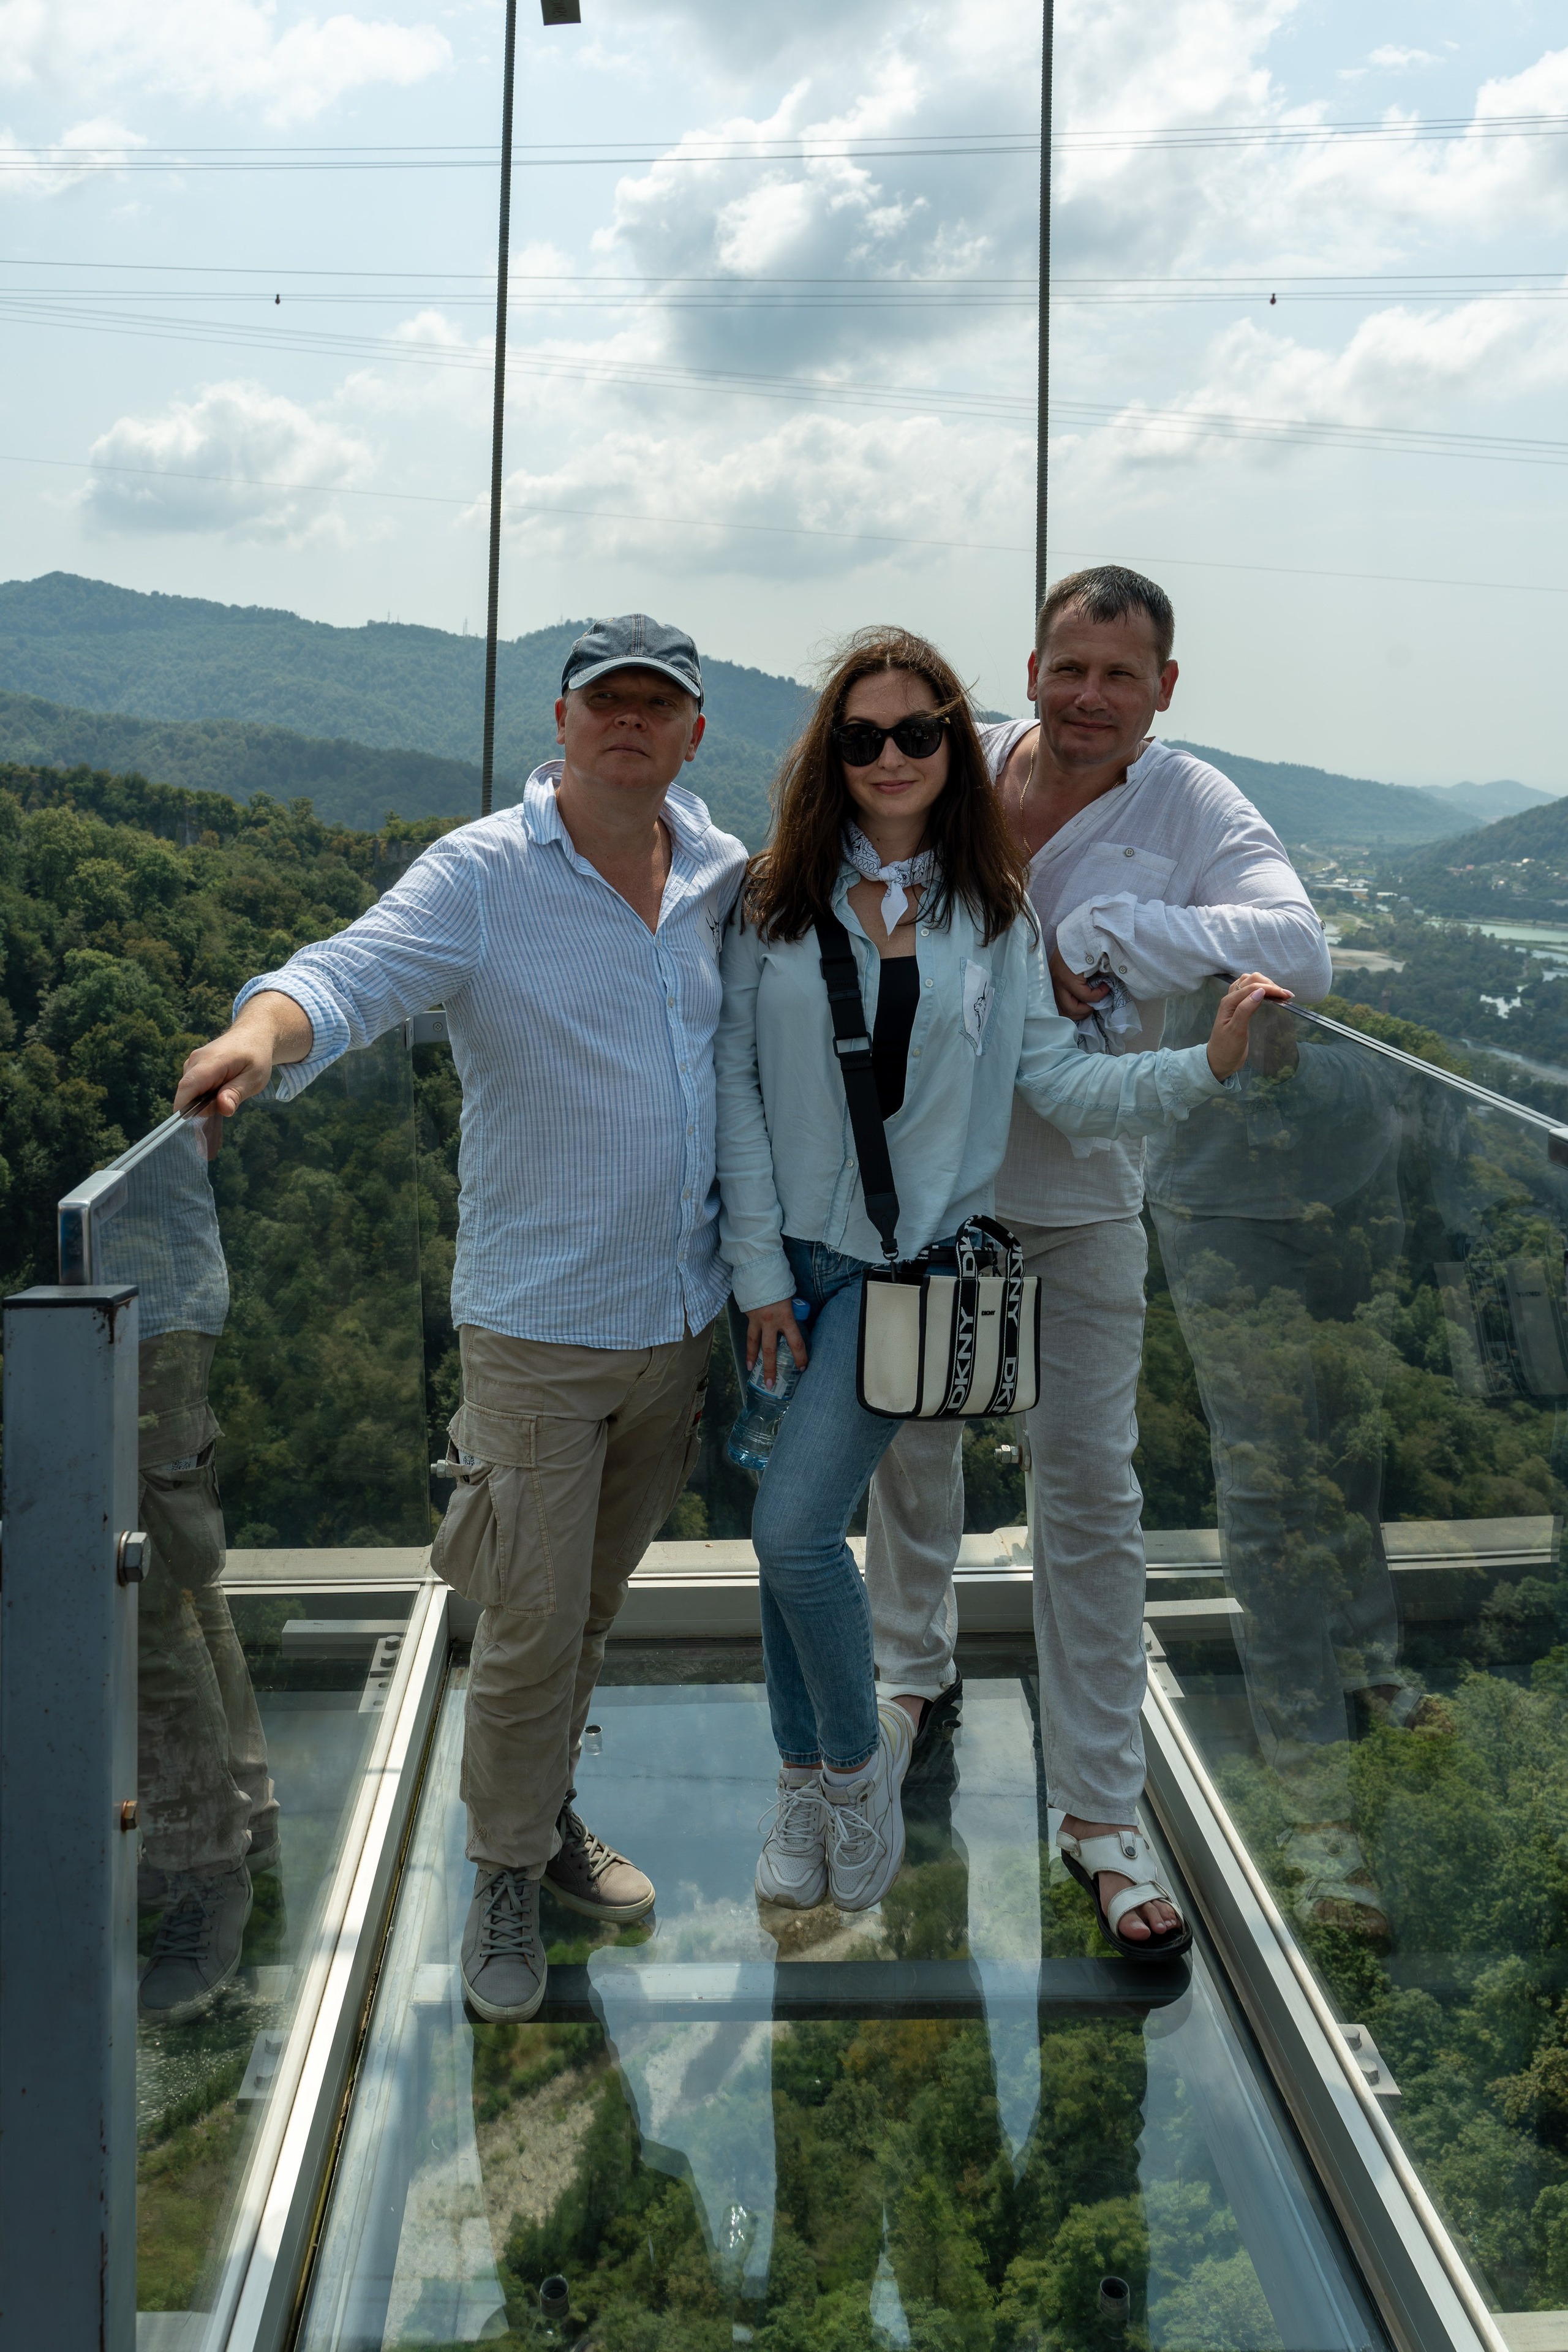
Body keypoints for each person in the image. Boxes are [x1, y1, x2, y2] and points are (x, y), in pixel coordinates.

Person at [173, 615, 748, 2024]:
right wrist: (259, 1032)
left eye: (653, 704)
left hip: (681, 1327)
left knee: (591, 1612)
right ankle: (499, 1870)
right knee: (531, 1624)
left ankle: (536, 1817)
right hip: (539, 1335)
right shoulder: (487, 874)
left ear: (691, 734)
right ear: (558, 726)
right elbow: (351, 971)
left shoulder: (725, 874)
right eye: (601, 701)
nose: (627, 723)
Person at [715, 624, 1289, 1934]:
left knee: (795, 1529)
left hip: (899, 1269)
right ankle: (808, 1788)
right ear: (829, 755)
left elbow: (1063, 1082)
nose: (892, 754)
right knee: (790, 1537)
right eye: (861, 736)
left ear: (951, 747)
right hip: (779, 1270)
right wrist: (753, 1275)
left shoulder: (991, 913)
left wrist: (1198, 1067)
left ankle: (851, 1777)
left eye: (918, 732)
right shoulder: (772, 900)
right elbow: (734, 1098)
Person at [861, 567, 1333, 1949]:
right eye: (1069, 668)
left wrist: (1109, 926)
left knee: (1085, 1491)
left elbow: (1296, 942)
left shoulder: (1189, 806)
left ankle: (1100, 1810)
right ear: (1030, 665)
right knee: (914, 1447)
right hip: (928, 1180)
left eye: (1119, 676)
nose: (1088, 698)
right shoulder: (953, 769)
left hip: (1082, 1187)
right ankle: (906, 1680)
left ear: (1162, 691)